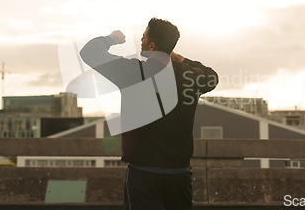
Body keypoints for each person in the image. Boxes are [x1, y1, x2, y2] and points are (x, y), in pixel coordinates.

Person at [80, 18, 218, 210]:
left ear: (152, 45)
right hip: (180, 175)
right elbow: (212, 75)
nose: (141, 39)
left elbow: (89, 52)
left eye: (144, 36)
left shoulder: (133, 73)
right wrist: (176, 56)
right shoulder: (189, 76)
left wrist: (113, 38)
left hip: (144, 175)